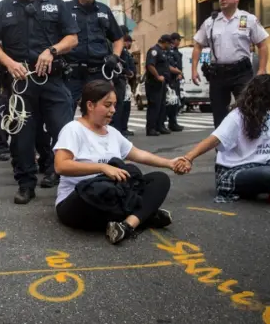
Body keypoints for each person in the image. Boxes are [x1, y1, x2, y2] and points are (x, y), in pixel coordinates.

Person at [0, 0, 79, 204]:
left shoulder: (55, 4)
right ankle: (26, 184)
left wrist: (52, 51)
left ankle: (64, 176)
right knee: (22, 136)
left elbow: (72, 38)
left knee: (64, 131)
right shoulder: (4, 8)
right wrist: (8, 62)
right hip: (21, 83)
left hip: (52, 80)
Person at [54, 80, 183, 245]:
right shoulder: (73, 129)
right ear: (90, 105)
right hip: (78, 202)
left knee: (159, 179)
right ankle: (144, 215)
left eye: (114, 105)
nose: (113, 110)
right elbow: (61, 166)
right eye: (107, 105)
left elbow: (138, 154)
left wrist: (170, 163)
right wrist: (102, 167)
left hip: (112, 197)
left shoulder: (113, 133)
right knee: (102, 188)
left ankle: (127, 225)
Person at [176, 75, 270, 207]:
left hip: (269, 164)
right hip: (236, 172)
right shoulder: (237, 117)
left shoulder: (269, 116)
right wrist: (188, 158)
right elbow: (214, 139)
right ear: (267, 96)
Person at [192, 0, 269, 128]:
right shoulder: (211, 22)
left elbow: (262, 44)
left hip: (241, 72)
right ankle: (222, 148)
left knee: (248, 108)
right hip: (218, 73)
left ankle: (248, 144)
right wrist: (194, 69)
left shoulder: (248, 19)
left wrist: (262, 69)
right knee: (219, 112)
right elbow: (197, 45)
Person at [64, 0, 125, 127]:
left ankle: (99, 148)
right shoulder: (66, 9)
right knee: (64, 113)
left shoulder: (104, 10)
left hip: (98, 72)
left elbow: (118, 38)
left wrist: (115, 56)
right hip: (72, 73)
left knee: (100, 114)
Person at [145, 35, 173, 136]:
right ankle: (151, 128)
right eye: (169, 43)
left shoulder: (162, 52)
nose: (170, 46)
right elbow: (150, 65)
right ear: (164, 42)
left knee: (161, 106)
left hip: (161, 84)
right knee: (154, 106)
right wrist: (157, 76)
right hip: (154, 83)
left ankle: (159, 126)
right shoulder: (154, 51)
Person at [165, 33, 184, 132]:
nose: (179, 42)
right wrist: (178, 72)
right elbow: (168, 65)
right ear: (174, 40)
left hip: (176, 79)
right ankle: (171, 123)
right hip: (171, 79)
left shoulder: (176, 51)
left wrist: (180, 74)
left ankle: (174, 122)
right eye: (178, 40)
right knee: (171, 102)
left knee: (176, 102)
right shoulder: (169, 51)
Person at [120, 31, 136, 137]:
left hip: (126, 82)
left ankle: (124, 128)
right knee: (122, 107)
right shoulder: (120, 50)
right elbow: (121, 65)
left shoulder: (126, 52)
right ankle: (121, 129)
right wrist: (127, 73)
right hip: (122, 79)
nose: (131, 45)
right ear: (126, 42)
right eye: (130, 42)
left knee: (126, 107)